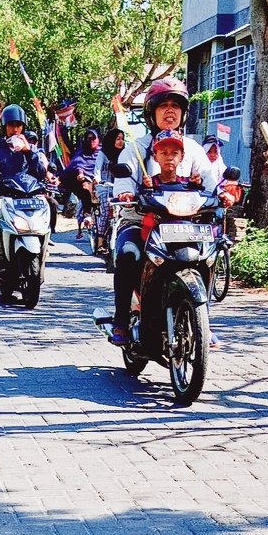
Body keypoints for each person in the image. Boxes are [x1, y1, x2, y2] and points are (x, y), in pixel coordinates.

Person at [112, 77, 213, 345]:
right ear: (151, 112)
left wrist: (223, 193)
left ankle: (204, 320)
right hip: (141, 220)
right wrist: (125, 192)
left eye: (176, 106)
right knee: (127, 255)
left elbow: (211, 181)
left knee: (209, 257)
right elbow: (124, 179)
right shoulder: (136, 147)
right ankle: (121, 320)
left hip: (185, 223)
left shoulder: (193, 149)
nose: (170, 111)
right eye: (163, 105)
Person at [0, 104, 47, 270]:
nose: (15, 129)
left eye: (18, 125)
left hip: (29, 197)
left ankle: (44, 252)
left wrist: (27, 152)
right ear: (5, 127)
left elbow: (40, 173)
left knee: (48, 208)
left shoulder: (31, 150)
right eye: (11, 125)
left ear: (23, 127)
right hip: (3, 196)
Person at [93, 128, 125, 255]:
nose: (121, 141)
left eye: (122, 139)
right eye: (118, 139)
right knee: (106, 211)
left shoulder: (125, 154)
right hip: (105, 187)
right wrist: (97, 179)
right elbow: (97, 170)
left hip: (120, 188)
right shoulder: (103, 154)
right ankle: (100, 241)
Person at [64, 127, 101, 239]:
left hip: (102, 180)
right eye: (88, 139)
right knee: (85, 191)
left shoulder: (103, 152)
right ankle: (84, 221)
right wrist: (80, 174)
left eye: (93, 138)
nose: (91, 141)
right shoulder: (81, 152)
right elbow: (78, 164)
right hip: (87, 181)